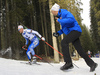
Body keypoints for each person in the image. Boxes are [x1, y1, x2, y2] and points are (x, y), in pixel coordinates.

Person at [51, 3, 98, 72]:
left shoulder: (65, 13)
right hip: (72, 32)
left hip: (75, 31)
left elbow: (71, 19)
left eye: (52, 12)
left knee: (64, 42)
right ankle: (92, 64)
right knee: (80, 50)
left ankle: (68, 63)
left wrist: (60, 20)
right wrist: (58, 33)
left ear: (56, 11)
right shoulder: (60, 17)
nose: (52, 13)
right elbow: (64, 28)